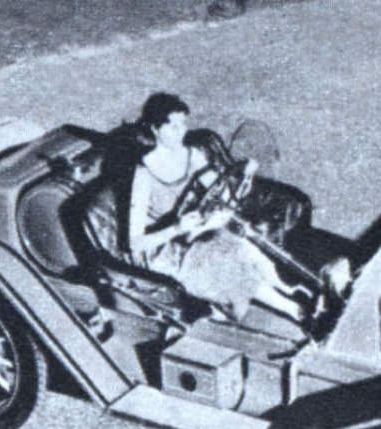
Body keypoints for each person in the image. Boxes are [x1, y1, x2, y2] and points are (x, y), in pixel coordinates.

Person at [126, 93, 310, 323]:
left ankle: (294, 290)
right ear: (155, 129)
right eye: (172, 126)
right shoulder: (144, 174)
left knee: (249, 249)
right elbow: (134, 244)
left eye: (183, 123)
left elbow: (219, 187)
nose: (181, 131)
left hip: (196, 232)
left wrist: (243, 179)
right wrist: (176, 228)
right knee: (233, 268)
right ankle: (293, 310)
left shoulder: (191, 155)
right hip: (167, 249)